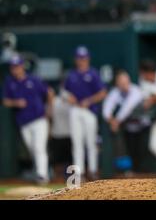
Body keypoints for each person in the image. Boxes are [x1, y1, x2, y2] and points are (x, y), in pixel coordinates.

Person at [2, 55, 54, 184]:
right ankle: (43, 171)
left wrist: (49, 110)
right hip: (24, 123)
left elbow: (49, 92)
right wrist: (16, 103)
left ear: (22, 67)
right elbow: (5, 101)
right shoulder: (10, 82)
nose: (16, 69)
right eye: (13, 67)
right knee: (32, 150)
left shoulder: (33, 79)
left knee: (39, 147)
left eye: (18, 66)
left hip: (39, 119)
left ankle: (42, 176)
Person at [63, 46, 106, 181]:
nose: (82, 60)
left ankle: (93, 170)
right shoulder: (72, 74)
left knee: (91, 142)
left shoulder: (93, 73)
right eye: (79, 58)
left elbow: (103, 92)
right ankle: (78, 173)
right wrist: (67, 96)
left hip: (89, 111)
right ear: (76, 59)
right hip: (75, 110)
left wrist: (89, 100)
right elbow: (64, 91)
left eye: (84, 58)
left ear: (88, 58)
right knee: (77, 142)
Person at [102, 70, 144, 174]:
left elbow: (127, 107)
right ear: (117, 83)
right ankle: (126, 171)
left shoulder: (136, 90)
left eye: (125, 81)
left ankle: (140, 173)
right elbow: (107, 108)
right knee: (125, 149)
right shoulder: (115, 92)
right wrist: (112, 121)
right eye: (121, 82)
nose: (123, 84)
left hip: (142, 126)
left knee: (141, 151)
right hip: (127, 127)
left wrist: (116, 121)